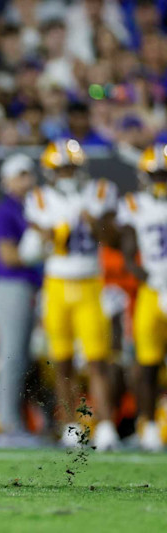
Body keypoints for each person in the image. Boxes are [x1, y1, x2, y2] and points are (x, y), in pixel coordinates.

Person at [19, 139, 120, 451]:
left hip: (90, 283)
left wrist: (98, 225)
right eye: (61, 168)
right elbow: (31, 250)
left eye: (71, 168)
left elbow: (113, 239)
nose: (66, 173)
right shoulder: (38, 198)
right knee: (61, 361)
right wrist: (45, 239)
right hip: (57, 286)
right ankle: (72, 424)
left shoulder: (100, 192)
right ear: (50, 171)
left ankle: (104, 425)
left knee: (98, 360)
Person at [0, 154, 42, 447]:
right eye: (20, 174)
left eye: (28, 173)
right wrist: (37, 253)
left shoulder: (30, 207)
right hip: (12, 285)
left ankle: (13, 422)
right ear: (7, 180)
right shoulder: (5, 211)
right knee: (11, 356)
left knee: (21, 357)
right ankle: (7, 424)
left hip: (28, 286)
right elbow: (7, 255)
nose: (26, 179)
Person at [117, 144, 167, 452]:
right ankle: (147, 424)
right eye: (155, 173)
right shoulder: (134, 204)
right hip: (152, 290)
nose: (160, 178)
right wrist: (137, 269)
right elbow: (126, 247)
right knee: (146, 362)